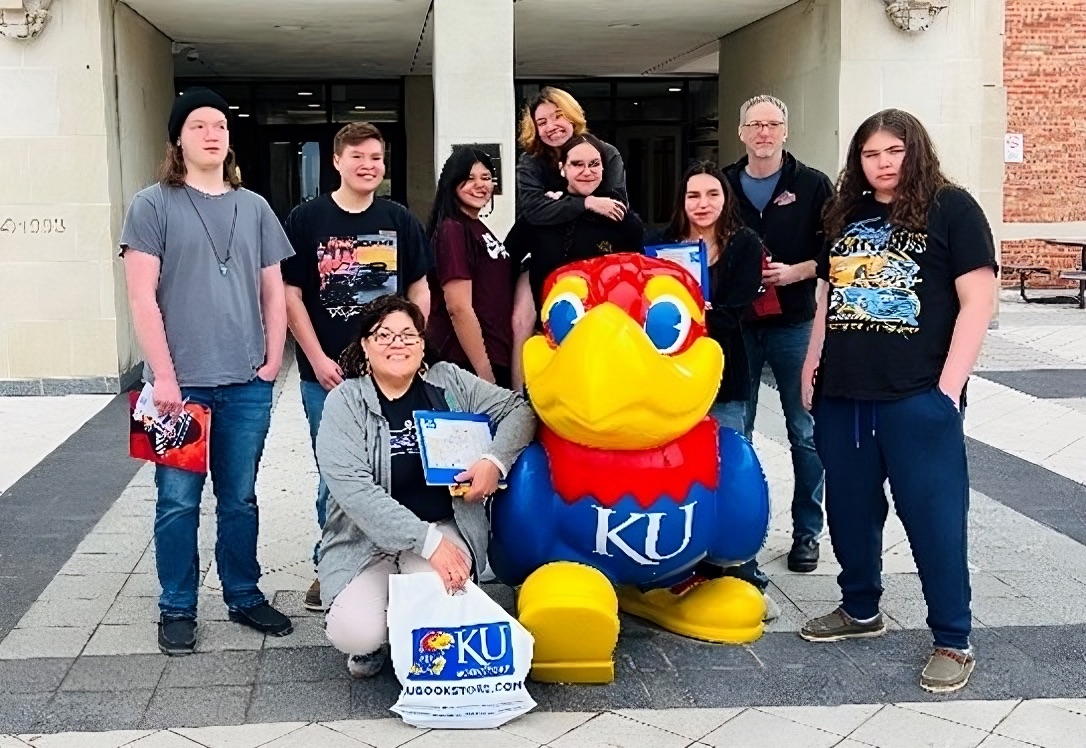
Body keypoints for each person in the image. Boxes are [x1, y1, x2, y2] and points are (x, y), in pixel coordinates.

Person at [799, 109, 996, 694]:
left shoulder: (952, 208)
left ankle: (953, 639)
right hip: (844, 396)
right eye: (870, 154)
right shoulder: (846, 213)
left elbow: (978, 302)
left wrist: (948, 389)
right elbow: (829, 296)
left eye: (893, 152)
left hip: (917, 398)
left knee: (933, 520)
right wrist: (813, 362)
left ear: (915, 152)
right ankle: (861, 609)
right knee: (850, 514)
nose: (882, 163)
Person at [120, 86, 295, 655]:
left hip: (246, 382)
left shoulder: (255, 206)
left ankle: (244, 595)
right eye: (198, 125)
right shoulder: (152, 205)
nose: (212, 133)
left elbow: (274, 290)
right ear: (179, 138)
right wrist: (164, 377)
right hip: (178, 388)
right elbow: (142, 297)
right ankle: (177, 605)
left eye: (219, 124)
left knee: (239, 497)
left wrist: (273, 359)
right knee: (176, 500)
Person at [315, 295, 536, 678]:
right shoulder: (344, 403)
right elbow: (355, 492)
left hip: (443, 525)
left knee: (435, 605)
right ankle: (378, 641)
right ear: (365, 347)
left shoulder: (448, 382)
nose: (396, 343)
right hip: (367, 540)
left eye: (407, 334)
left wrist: (494, 461)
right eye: (383, 335)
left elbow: (519, 410)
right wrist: (427, 544)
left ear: (421, 343)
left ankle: (411, 624)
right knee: (356, 631)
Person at [281, 122, 433, 613]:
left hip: (391, 376)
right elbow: (291, 295)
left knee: (396, 469)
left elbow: (419, 291)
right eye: (359, 157)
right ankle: (330, 566)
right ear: (337, 161)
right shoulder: (307, 219)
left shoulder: (399, 219)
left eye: (377, 157)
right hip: (326, 377)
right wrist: (318, 358)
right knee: (336, 477)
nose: (369, 165)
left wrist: (408, 348)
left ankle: (392, 557)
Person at [657, 162, 778, 620]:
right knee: (679, 471)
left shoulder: (744, 243)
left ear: (725, 199)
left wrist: (697, 311)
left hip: (725, 376)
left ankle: (741, 571)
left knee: (727, 470)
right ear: (682, 201)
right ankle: (681, 567)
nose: (702, 204)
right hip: (672, 382)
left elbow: (738, 309)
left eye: (711, 194)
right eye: (693, 196)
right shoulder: (665, 245)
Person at [723, 94, 834, 575]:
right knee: (735, 431)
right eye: (755, 125)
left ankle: (807, 531)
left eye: (773, 124)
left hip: (794, 323)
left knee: (805, 431)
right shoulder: (723, 184)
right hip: (737, 327)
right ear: (742, 132)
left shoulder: (812, 185)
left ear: (785, 131)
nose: (764, 133)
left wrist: (797, 273)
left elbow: (834, 252)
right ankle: (738, 533)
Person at [508, 134, 645, 388]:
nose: (587, 172)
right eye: (577, 164)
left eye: (594, 164)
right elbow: (507, 259)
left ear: (604, 168)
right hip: (545, 345)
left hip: (604, 349)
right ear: (562, 168)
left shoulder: (622, 220)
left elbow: (641, 276)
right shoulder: (541, 216)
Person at [424, 147, 515, 389]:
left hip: (496, 356)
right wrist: (485, 374)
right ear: (452, 182)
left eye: (486, 178)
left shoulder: (477, 226)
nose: (480, 185)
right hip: (468, 365)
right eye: (469, 178)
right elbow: (458, 307)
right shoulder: (452, 230)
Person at [516, 86, 628, 226]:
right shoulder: (531, 161)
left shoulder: (607, 153)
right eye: (542, 123)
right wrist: (587, 202)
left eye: (558, 116)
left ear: (572, 116)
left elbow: (616, 207)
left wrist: (556, 204)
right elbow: (533, 212)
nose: (551, 127)